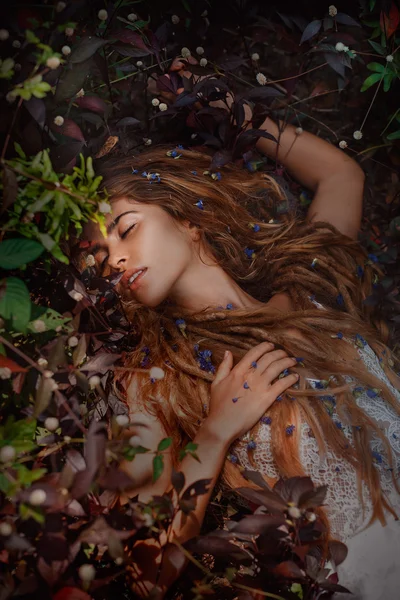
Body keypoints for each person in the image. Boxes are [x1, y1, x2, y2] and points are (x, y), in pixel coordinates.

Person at [79, 104, 400, 599]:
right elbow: (146, 574)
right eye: (99, 258)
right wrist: (214, 434)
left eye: (126, 228)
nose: (115, 259)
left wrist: (237, 115)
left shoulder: (309, 295)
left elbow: (341, 175)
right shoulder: (160, 380)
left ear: (187, 220)